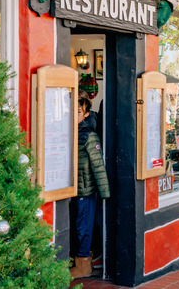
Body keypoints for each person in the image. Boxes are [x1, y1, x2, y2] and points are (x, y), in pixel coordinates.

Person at [71, 98, 110, 278]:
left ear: (86, 114)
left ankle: (84, 264)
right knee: (78, 225)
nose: (74, 114)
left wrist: (104, 193)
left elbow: (98, 166)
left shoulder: (89, 135)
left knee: (83, 226)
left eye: (79, 111)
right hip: (72, 188)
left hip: (85, 189)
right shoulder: (69, 131)